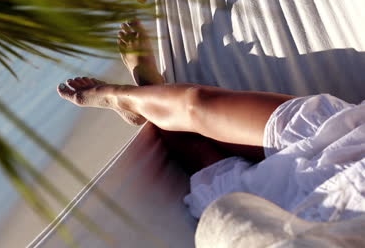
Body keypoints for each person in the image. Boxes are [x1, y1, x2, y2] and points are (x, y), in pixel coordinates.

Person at [58, 19, 365, 223]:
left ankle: (145, 91)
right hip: (351, 143)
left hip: (321, 210)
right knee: (195, 106)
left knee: (206, 164)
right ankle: (127, 95)